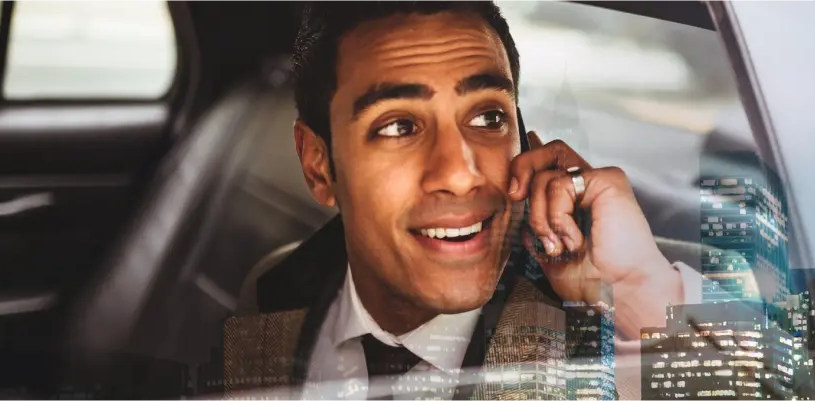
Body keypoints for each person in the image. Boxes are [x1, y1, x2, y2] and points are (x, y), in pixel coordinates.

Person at [225, 1, 706, 399]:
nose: (460, 175)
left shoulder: (608, 327)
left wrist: (636, 288)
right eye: (399, 127)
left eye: (488, 119)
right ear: (318, 166)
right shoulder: (273, 295)